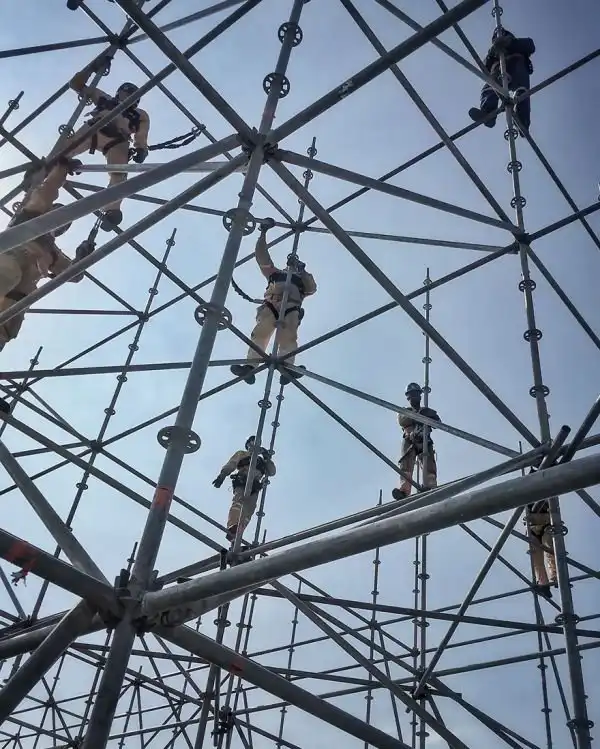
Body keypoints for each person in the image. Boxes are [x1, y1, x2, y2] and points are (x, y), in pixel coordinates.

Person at [41, 54, 150, 231]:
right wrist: (92, 68)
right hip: (95, 128)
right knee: (64, 152)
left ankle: (112, 209)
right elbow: (76, 84)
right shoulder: (104, 98)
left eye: (133, 94)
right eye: (127, 91)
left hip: (118, 140)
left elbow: (142, 134)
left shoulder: (140, 115)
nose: (129, 95)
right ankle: (43, 174)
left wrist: (141, 148)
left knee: (119, 173)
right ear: (119, 92)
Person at [230, 219, 316, 386]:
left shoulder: (302, 280)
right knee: (260, 334)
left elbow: (312, 288)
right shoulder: (275, 274)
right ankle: (250, 366)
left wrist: (302, 270)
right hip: (271, 304)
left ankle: (287, 367)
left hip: (291, 306)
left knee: (288, 337)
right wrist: (263, 233)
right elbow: (261, 256)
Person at [468, 27, 535, 134]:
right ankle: (488, 113)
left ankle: (522, 121)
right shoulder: (494, 53)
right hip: (498, 71)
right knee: (490, 87)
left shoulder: (517, 44)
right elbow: (484, 68)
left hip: (516, 67)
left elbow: (530, 45)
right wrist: (491, 53)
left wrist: (510, 44)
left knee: (522, 92)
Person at [212, 436, 276, 542]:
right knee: (238, 503)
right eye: (254, 441)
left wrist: (266, 458)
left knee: (249, 509)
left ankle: (239, 531)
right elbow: (232, 464)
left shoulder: (261, 460)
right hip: (243, 480)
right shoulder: (242, 454)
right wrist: (222, 476)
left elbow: (272, 472)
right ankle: (233, 526)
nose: (257, 443)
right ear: (248, 444)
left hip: (255, 485)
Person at [392, 382, 440, 501]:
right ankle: (404, 491)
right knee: (405, 465)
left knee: (429, 464)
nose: (413, 398)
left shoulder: (426, 411)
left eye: (415, 394)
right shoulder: (404, 411)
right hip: (410, 439)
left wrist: (431, 415)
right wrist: (420, 415)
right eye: (410, 395)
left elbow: (438, 423)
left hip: (424, 439)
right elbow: (402, 420)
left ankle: (430, 486)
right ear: (407, 398)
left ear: (420, 395)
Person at [525, 498, 557, 599]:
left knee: (550, 549)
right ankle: (544, 584)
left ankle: (556, 575)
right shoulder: (526, 498)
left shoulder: (546, 496)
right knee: (536, 558)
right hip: (533, 527)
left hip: (546, 524)